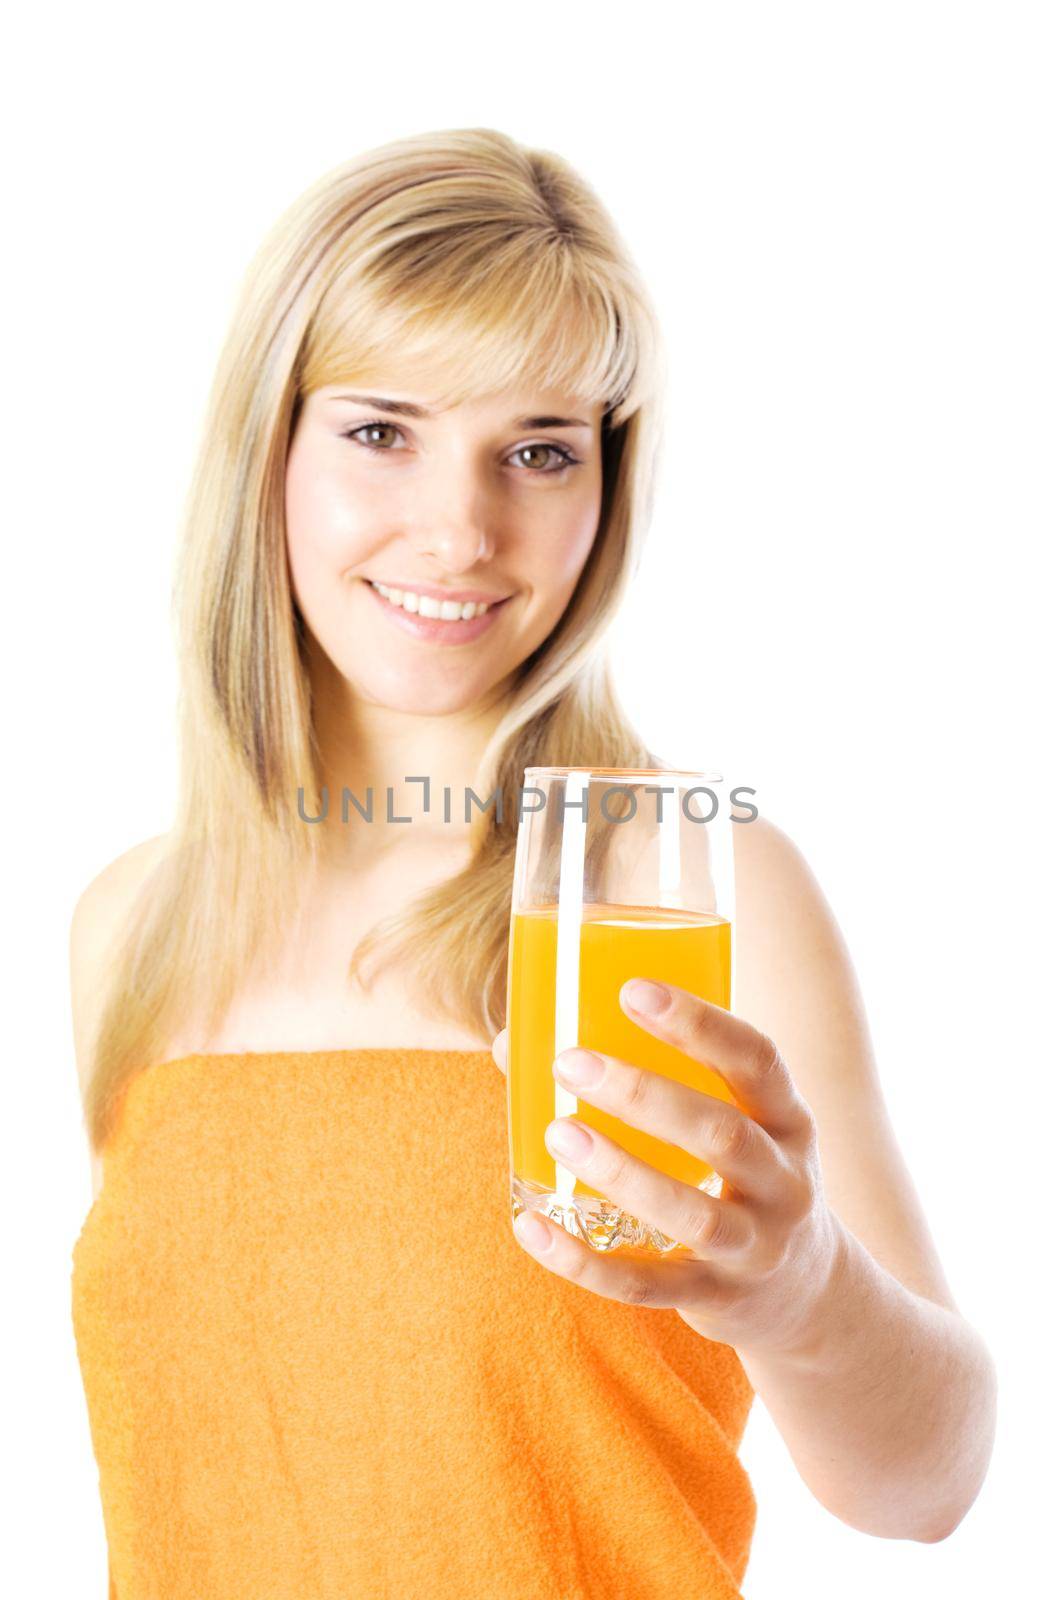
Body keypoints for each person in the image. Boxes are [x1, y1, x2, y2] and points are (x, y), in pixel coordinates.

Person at [68, 127, 996, 1599]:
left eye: (540, 451)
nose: (461, 529)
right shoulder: (137, 922)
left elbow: (931, 1487)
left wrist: (805, 1286)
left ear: (605, 495)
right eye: (383, 430)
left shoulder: (694, 883)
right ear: (272, 447)